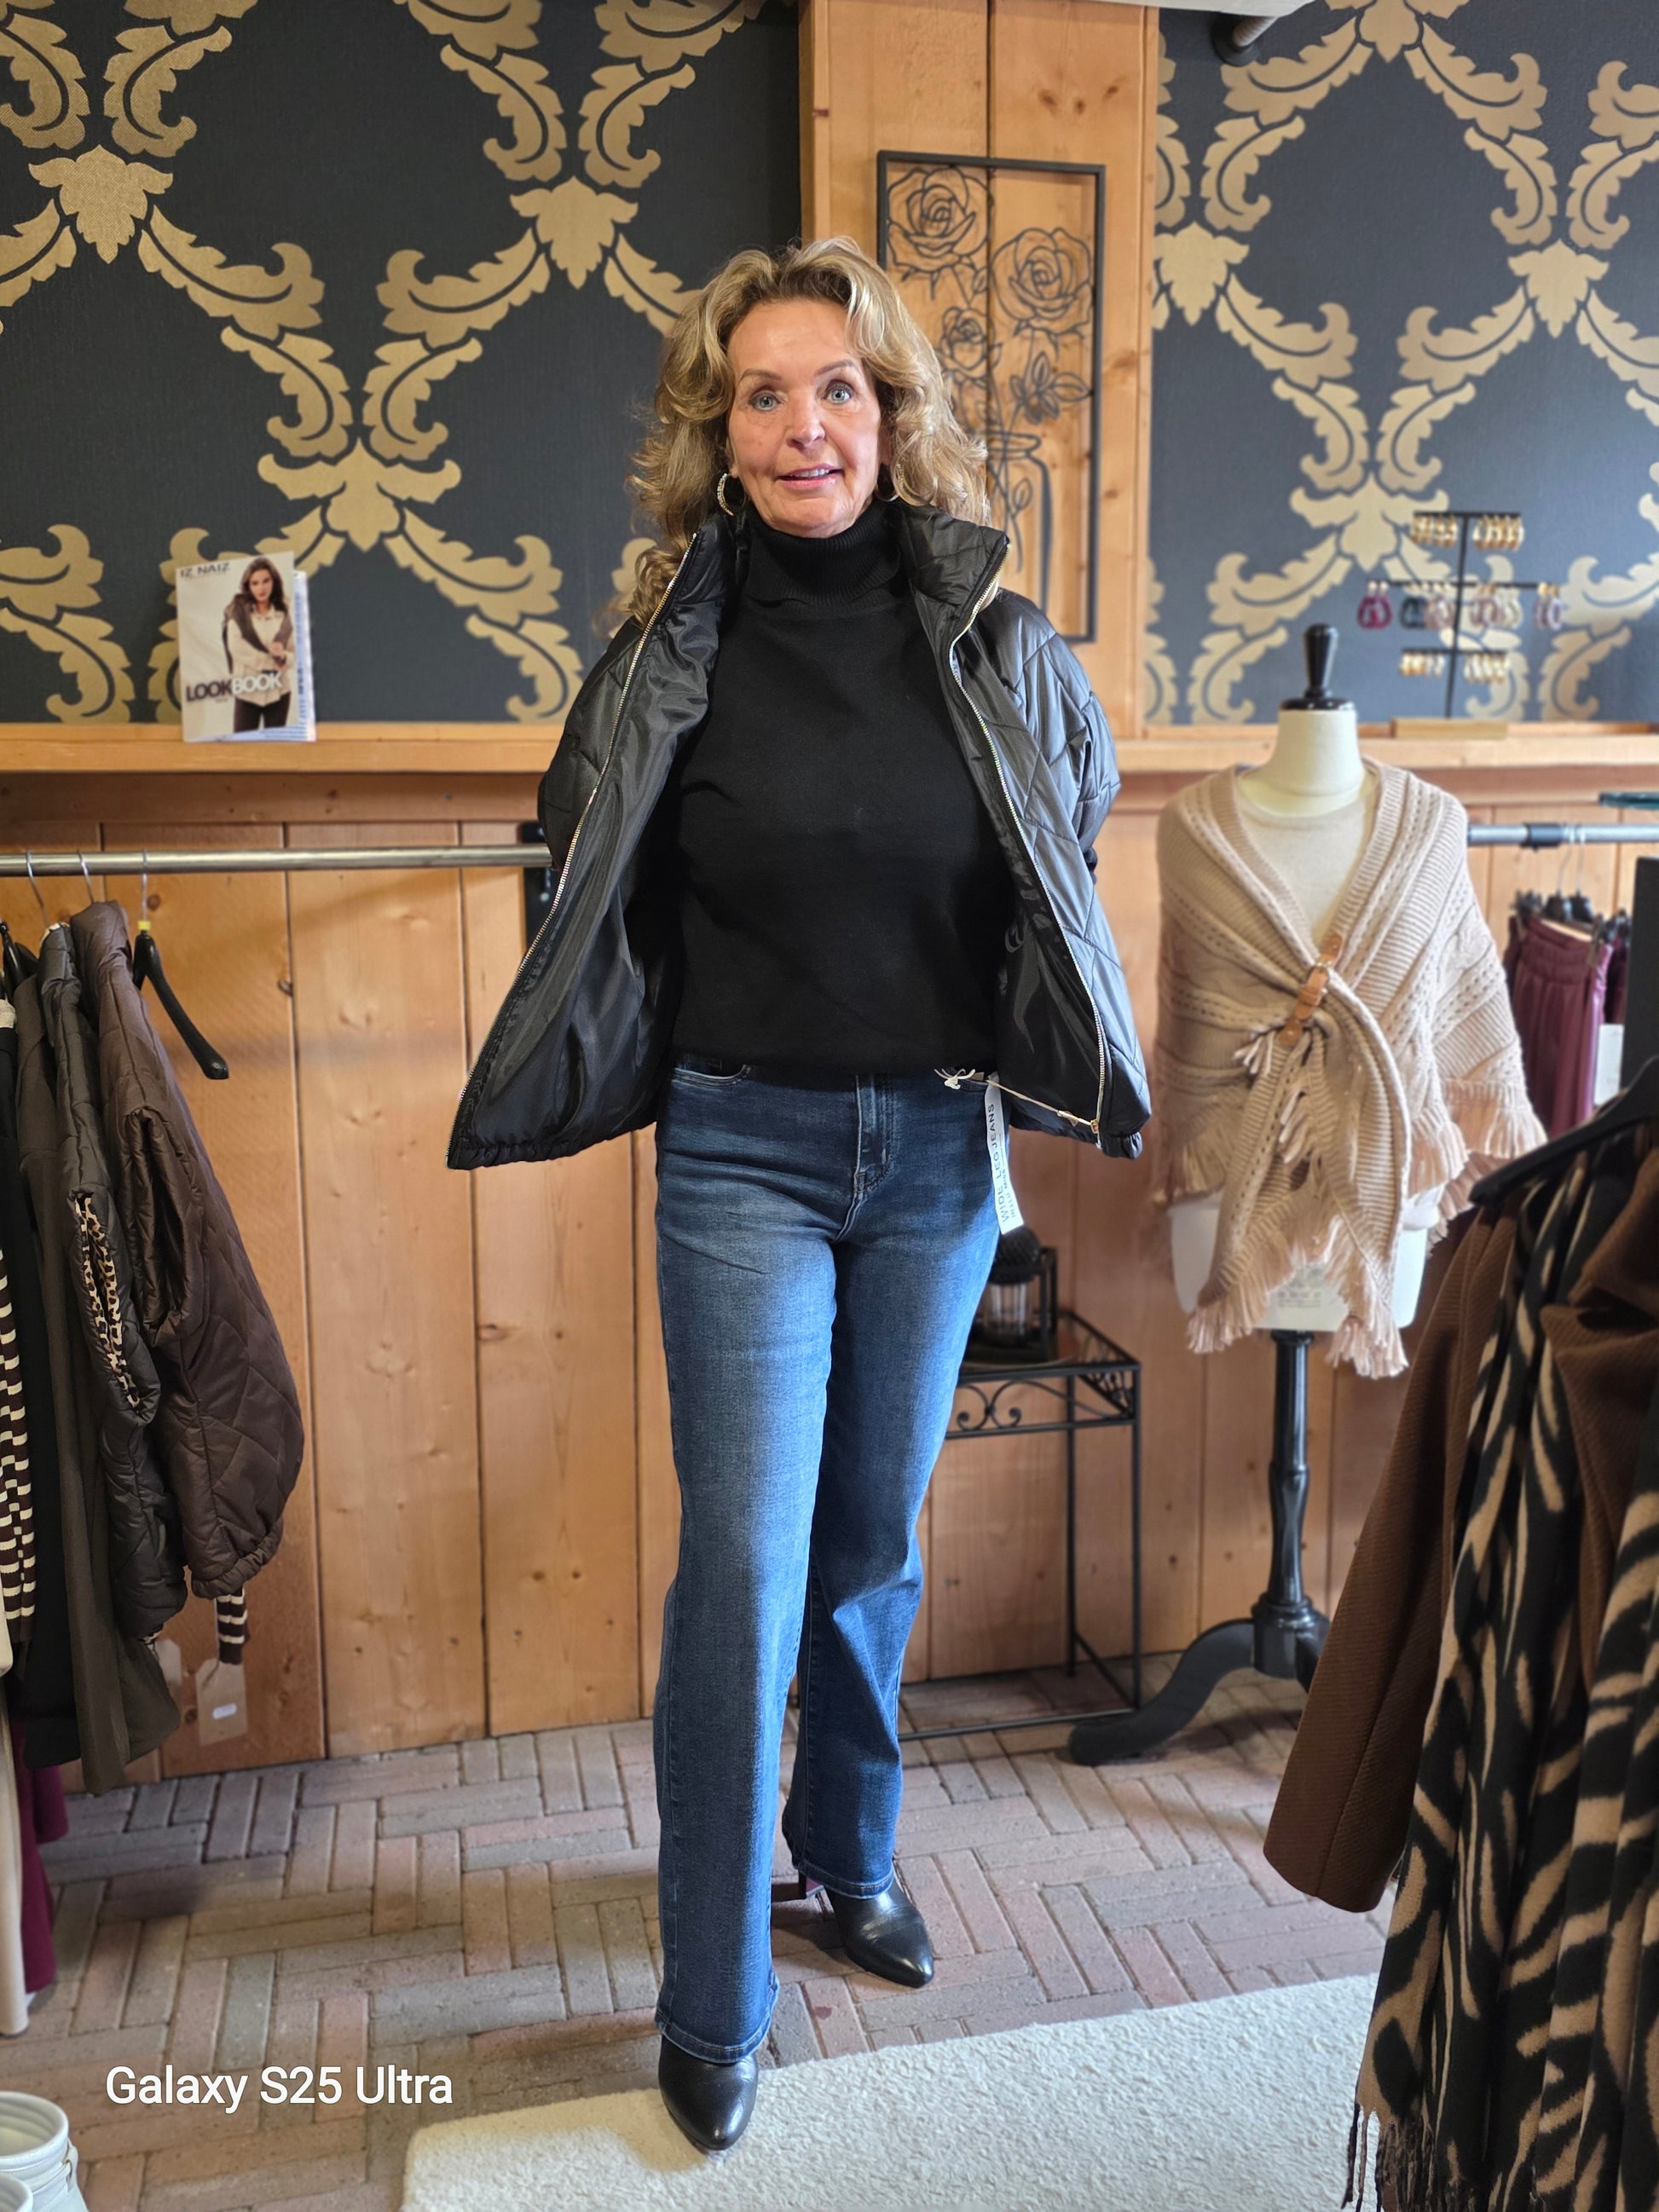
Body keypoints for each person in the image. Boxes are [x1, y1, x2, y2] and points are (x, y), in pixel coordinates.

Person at [448, 236, 1149, 2154]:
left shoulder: (997, 639)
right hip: (740, 1151)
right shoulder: (665, 645)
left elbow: (1069, 837)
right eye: (762, 394)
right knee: (745, 1565)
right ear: (721, 431)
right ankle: (713, 1994)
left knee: (868, 1542)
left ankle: (848, 1855)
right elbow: (585, 862)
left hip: (933, 1151)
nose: (802, 424)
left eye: (836, 387)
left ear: (891, 414)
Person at [222, 557, 292, 731]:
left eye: (266, 581)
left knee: (275, 745)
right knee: (243, 744)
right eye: (255, 583)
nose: (261, 588)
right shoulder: (239, 612)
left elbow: (293, 651)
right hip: (248, 693)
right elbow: (236, 647)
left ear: (274, 582)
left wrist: (284, 657)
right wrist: (272, 663)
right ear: (248, 586)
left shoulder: (284, 614)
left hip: (279, 692)